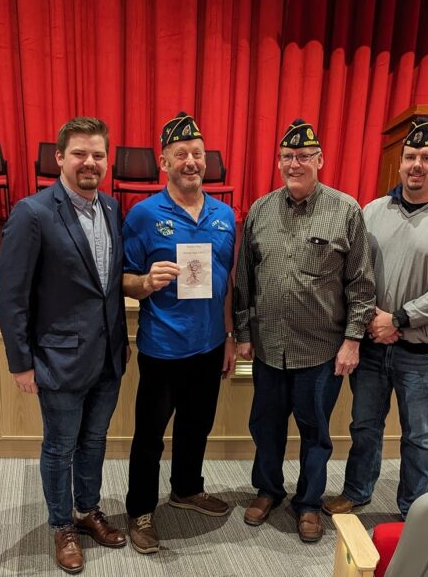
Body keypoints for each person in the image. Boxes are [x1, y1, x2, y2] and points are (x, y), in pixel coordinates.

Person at [323, 117, 428, 520]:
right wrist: (374, 321)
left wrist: (399, 319)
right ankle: (357, 491)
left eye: (426, 158)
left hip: (424, 352)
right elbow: (356, 274)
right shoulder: (372, 211)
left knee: (419, 436)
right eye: (410, 156)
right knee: (364, 426)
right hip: (375, 345)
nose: (417, 165)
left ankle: (414, 508)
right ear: (399, 163)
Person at [0, 117, 129, 574]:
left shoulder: (112, 209)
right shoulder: (32, 213)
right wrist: (21, 363)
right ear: (59, 158)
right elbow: (11, 294)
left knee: (94, 441)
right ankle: (61, 525)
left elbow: (107, 285)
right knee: (59, 447)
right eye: (79, 154)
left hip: (108, 355)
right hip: (58, 358)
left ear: (107, 160)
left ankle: (87, 511)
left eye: (97, 154)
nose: (89, 162)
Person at [233, 119, 375, 543]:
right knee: (265, 425)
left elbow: (361, 284)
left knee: (315, 432)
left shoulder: (346, 210)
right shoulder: (259, 210)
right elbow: (244, 279)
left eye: (304, 157)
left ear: (320, 160)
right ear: (278, 162)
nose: (295, 164)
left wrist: (353, 340)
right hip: (268, 348)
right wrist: (242, 332)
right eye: (288, 157)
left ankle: (309, 502)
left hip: (320, 350)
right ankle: (268, 490)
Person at [122, 112, 237, 554]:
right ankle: (140, 511)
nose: (191, 161)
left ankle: (186, 489)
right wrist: (144, 283)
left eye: (197, 154)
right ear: (163, 162)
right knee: (150, 435)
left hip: (209, 346)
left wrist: (227, 336)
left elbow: (227, 282)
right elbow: (121, 279)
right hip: (163, 348)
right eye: (181, 155)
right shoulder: (144, 215)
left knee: (197, 426)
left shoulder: (225, 215)